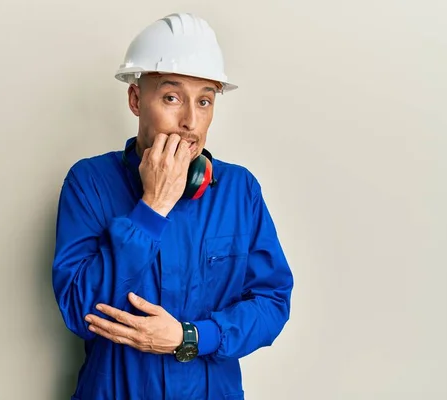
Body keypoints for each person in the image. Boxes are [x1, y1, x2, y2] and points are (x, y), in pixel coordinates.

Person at [52, 12, 294, 400]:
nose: (190, 121)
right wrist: (153, 206)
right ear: (135, 99)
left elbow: (272, 302)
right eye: (171, 97)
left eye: (204, 101)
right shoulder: (90, 183)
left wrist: (191, 337)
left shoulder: (239, 190)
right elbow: (80, 311)